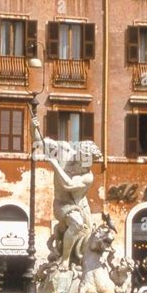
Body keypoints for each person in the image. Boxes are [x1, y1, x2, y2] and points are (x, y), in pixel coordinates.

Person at [30, 115, 102, 270]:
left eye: (90, 162)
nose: (87, 165)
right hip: (63, 204)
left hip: (82, 206)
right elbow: (38, 140)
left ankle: (81, 266)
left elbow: (68, 184)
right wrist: (33, 126)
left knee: (87, 238)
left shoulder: (88, 176)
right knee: (76, 224)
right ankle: (65, 260)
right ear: (78, 153)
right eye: (85, 160)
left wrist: (54, 164)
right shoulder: (62, 150)